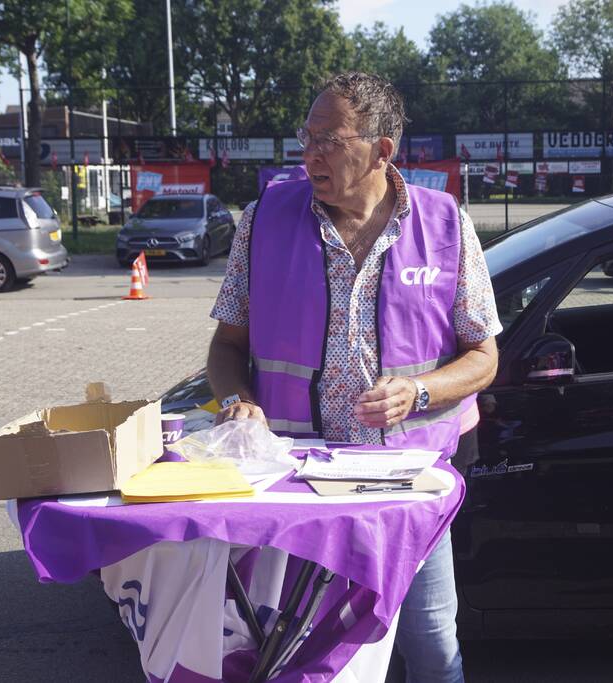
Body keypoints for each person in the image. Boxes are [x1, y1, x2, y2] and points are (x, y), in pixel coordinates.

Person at [206, 71, 501, 682]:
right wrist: (238, 399)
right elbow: (226, 346)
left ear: (381, 149)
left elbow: (484, 357)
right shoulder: (263, 222)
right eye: (306, 137)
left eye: (328, 140)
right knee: (310, 659)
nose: (308, 153)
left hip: (406, 485)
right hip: (297, 490)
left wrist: (418, 393)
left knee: (431, 651)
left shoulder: (446, 226)